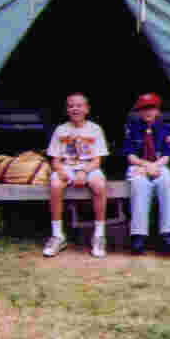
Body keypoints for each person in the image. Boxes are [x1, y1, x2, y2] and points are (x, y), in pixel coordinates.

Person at [44, 92, 109, 258]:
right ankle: (58, 235)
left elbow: (97, 161)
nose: (75, 109)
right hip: (66, 167)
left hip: (88, 168)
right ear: (67, 110)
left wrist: (83, 171)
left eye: (79, 105)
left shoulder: (95, 129)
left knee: (99, 184)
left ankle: (99, 235)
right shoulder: (61, 130)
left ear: (87, 109)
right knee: (55, 184)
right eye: (71, 106)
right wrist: (59, 170)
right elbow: (55, 159)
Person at [122, 93, 170, 255]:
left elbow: (167, 155)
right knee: (140, 185)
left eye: (151, 108)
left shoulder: (163, 128)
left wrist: (155, 166)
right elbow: (130, 156)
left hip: (158, 164)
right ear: (139, 112)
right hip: (139, 165)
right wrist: (146, 165)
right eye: (144, 109)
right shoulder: (132, 129)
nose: (148, 112)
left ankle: (168, 235)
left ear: (157, 110)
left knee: (168, 183)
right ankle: (138, 236)